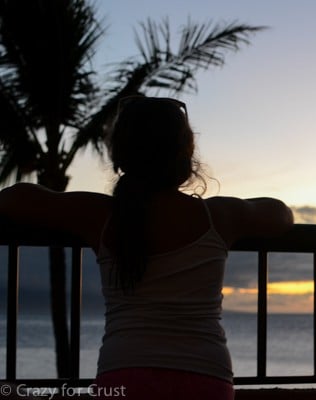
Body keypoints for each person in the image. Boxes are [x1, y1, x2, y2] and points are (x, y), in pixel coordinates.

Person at [0, 96, 294, 399]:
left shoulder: (97, 213)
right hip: (207, 376)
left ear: (121, 153)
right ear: (185, 153)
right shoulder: (220, 215)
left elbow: (12, 199)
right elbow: (281, 214)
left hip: (124, 373)